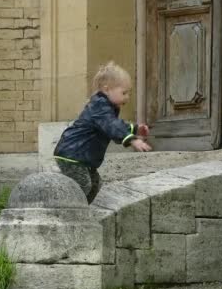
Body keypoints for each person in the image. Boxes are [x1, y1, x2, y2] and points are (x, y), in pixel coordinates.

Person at [53, 61, 152, 203]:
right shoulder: (99, 106)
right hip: (72, 154)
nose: (127, 97)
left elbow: (115, 123)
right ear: (106, 89)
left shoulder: (106, 108)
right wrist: (132, 139)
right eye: (124, 92)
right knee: (83, 185)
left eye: (128, 93)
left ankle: (82, 211)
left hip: (83, 157)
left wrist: (135, 129)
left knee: (95, 186)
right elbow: (111, 124)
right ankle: (63, 208)